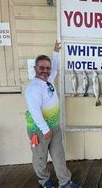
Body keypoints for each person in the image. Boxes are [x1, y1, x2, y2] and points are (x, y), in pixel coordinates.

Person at [24, 41, 80, 188]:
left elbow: (54, 66)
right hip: (39, 130)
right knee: (40, 157)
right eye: (41, 67)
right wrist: (45, 129)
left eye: (47, 68)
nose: (45, 70)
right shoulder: (33, 88)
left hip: (54, 127)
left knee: (58, 156)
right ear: (35, 68)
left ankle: (65, 182)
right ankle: (44, 181)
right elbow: (35, 111)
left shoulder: (49, 79)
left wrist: (55, 51)